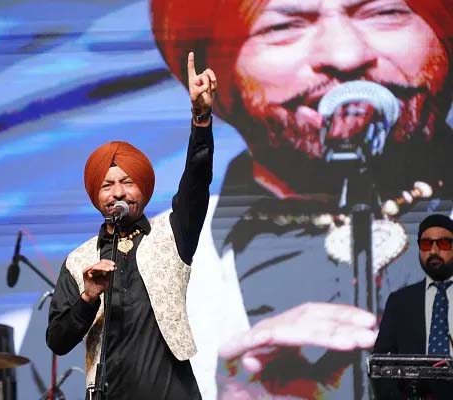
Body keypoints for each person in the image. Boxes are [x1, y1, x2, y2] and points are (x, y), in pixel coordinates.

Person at [151, 0, 453, 398]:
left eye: (384, 13)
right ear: (216, 73)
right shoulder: (149, 268)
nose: (346, 56)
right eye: (283, 27)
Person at [45, 51, 215, 399]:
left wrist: (201, 118)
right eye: (107, 185)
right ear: (96, 195)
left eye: (127, 182)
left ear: (144, 189)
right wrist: (88, 297)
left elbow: (196, 181)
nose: (118, 193)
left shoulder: (173, 234)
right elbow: (57, 341)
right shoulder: (79, 261)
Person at [373, 213, 453, 399]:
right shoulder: (400, 302)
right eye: (426, 244)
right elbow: (380, 363)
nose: (433, 251)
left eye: (443, 243)